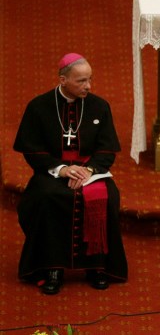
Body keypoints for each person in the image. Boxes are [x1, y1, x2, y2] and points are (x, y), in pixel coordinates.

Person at [14, 53, 127, 295]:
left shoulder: (99, 106)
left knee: (108, 197)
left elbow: (107, 149)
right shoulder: (39, 106)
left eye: (90, 80)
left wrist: (88, 170)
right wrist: (62, 169)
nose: (88, 86)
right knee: (47, 198)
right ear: (63, 80)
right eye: (81, 81)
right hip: (52, 170)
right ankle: (52, 268)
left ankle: (96, 266)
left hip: (90, 171)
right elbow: (32, 150)